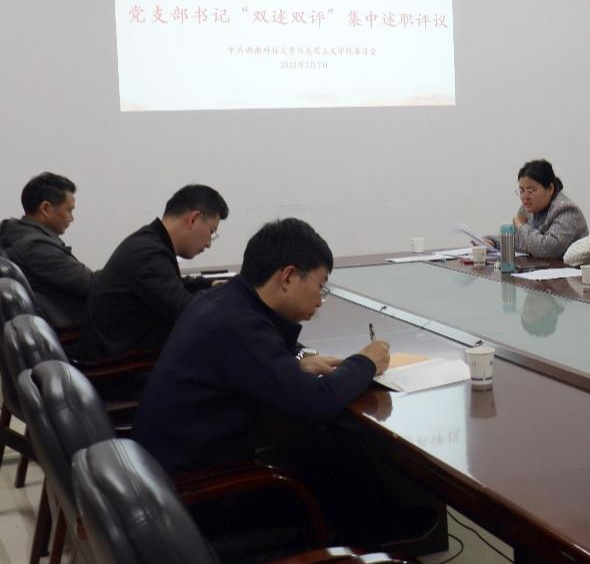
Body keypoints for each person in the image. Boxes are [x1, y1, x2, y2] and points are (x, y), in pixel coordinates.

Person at [132, 219, 426, 545]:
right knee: (317, 440)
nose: (320, 299)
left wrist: (296, 366)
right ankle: (369, 543)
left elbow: (248, 368)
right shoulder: (240, 325)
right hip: (199, 497)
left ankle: (377, 525)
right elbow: (318, 401)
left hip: (172, 476)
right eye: (320, 285)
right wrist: (366, 362)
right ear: (287, 277)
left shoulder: (222, 302)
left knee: (318, 439)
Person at [82, 184, 228, 360]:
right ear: (193, 219)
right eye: (211, 231)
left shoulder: (149, 242)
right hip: (125, 367)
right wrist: (228, 301)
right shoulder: (148, 254)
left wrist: (210, 284)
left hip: (127, 352)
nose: (209, 243)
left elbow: (173, 285)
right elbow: (189, 312)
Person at [0, 172, 95, 328]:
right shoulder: (34, 246)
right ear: (46, 208)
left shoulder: (17, 236)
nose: (72, 218)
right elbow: (91, 285)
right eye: (69, 210)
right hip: (73, 335)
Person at [506, 159, 588, 260]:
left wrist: (522, 226)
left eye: (531, 191)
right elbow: (517, 241)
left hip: (570, 270)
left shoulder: (567, 211)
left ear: (550, 189)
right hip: (536, 269)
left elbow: (547, 250)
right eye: (522, 191)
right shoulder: (526, 209)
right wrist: (492, 242)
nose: (525, 197)